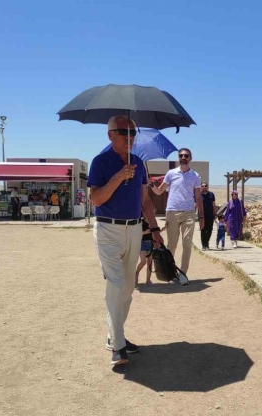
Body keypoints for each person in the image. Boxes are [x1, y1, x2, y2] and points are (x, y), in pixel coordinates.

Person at [88, 115, 164, 366]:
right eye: (123, 132)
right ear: (110, 134)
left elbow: (144, 201)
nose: (129, 137)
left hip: (134, 229)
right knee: (117, 284)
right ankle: (117, 345)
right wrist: (118, 177)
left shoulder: (139, 164)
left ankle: (116, 336)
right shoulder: (100, 162)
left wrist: (154, 229)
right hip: (108, 229)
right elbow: (97, 199)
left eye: (132, 132)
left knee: (128, 288)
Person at [150, 148, 204, 274]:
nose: (183, 158)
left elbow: (198, 197)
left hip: (189, 212)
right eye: (181, 156)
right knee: (172, 244)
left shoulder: (195, 176)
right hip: (172, 212)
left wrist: (202, 217)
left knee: (187, 244)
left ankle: (183, 273)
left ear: (190, 158)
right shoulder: (171, 173)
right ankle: (170, 271)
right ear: (179, 158)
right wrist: (151, 185)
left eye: (186, 155)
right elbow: (159, 191)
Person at [135, 218, 154, 286]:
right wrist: (145, 232)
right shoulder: (141, 222)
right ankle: (136, 273)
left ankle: (148, 280)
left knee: (150, 262)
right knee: (143, 261)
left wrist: (164, 228)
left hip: (151, 243)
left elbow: (156, 232)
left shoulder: (152, 221)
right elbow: (137, 233)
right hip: (142, 243)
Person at [199, 182, 217, 250]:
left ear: (207, 187)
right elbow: (195, 205)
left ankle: (207, 243)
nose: (204, 187)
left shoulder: (211, 194)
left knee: (209, 230)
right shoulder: (199, 195)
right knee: (203, 230)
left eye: (205, 186)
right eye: (202, 186)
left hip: (210, 215)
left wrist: (215, 214)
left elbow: (214, 205)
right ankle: (204, 245)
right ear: (201, 187)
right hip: (202, 216)